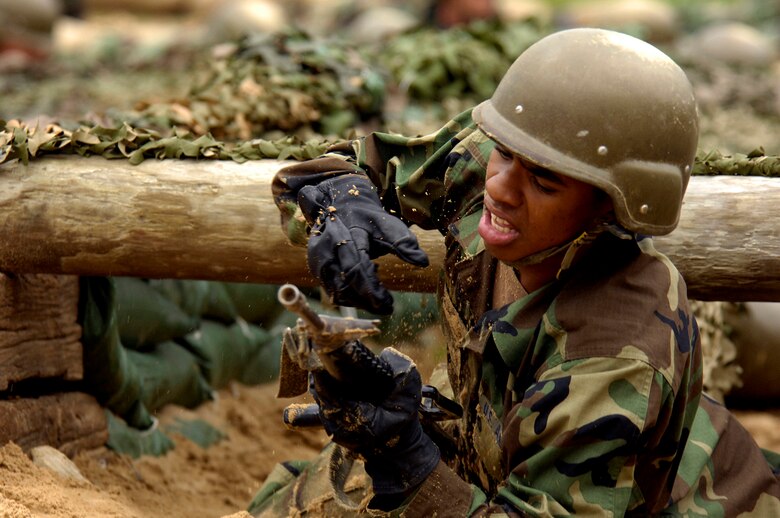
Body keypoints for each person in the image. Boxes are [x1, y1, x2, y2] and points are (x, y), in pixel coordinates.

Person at [252, 28, 780, 516]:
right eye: (503, 152)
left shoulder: (616, 353)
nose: (500, 188)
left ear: (610, 209)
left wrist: (407, 460)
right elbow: (337, 167)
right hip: (491, 430)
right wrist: (338, 198)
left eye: (544, 183)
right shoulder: (513, 159)